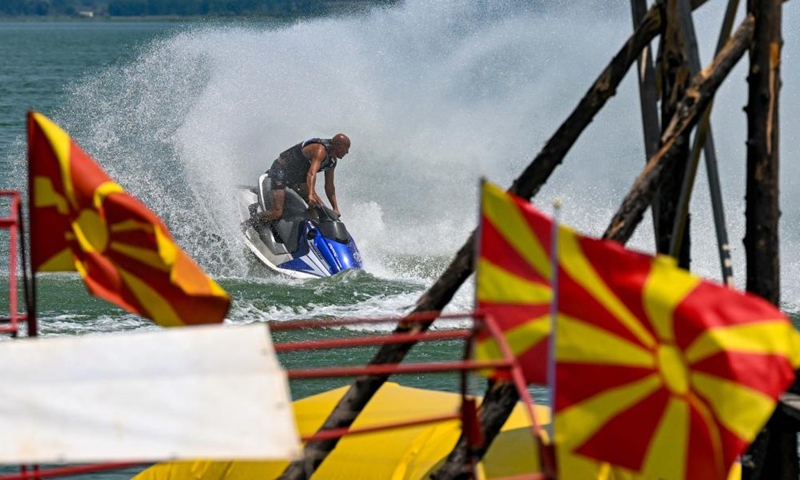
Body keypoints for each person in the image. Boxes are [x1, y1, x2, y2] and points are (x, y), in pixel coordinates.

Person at [259, 133, 350, 223]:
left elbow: (329, 186)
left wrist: (335, 208)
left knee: (319, 209)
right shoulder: (319, 150)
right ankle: (250, 223)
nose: (347, 152)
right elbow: (311, 173)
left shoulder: (332, 161)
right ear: (340, 147)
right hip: (281, 170)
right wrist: (311, 194)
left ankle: (307, 231)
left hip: (297, 177)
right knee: (277, 213)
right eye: (347, 149)